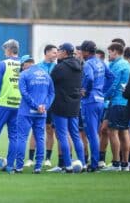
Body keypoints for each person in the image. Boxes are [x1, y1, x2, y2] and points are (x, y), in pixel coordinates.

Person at [15, 57, 55, 174]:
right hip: (41, 112)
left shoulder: (24, 74)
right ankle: (37, 167)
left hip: (26, 112)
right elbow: (52, 93)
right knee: (40, 138)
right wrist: (44, 106)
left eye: (22, 65)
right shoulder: (46, 75)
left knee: (22, 138)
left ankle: (19, 167)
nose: (22, 68)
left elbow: (24, 93)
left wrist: (35, 105)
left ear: (27, 64)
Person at [50, 43, 85, 173]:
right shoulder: (80, 65)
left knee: (62, 135)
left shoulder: (60, 67)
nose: (57, 52)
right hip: (75, 105)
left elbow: (50, 82)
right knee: (75, 135)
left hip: (60, 104)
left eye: (59, 50)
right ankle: (83, 164)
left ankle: (68, 165)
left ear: (64, 52)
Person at [80, 40, 114, 172]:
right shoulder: (100, 61)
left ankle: (94, 165)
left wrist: (85, 90)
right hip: (100, 101)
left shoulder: (88, 63)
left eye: (82, 50)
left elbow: (89, 78)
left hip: (90, 101)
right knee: (95, 133)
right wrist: (103, 91)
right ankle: (96, 161)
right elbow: (111, 77)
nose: (81, 53)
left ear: (86, 52)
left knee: (92, 133)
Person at [102, 43, 130, 172]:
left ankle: (116, 163)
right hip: (126, 103)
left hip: (117, 102)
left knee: (112, 132)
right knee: (124, 132)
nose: (109, 55)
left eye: (110, 52)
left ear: (115, 52)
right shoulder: (126, 64)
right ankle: (125, 164)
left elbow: (113, 85)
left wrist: (103, 97)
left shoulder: (118, 65)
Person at [0, 39, 21, 172]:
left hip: (2, 104)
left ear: (9, 50)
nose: (4, 53)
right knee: (14, 137)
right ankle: (10, 166)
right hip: (18, 105)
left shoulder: (2, 64)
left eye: (5, 50)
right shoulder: (24, 64)